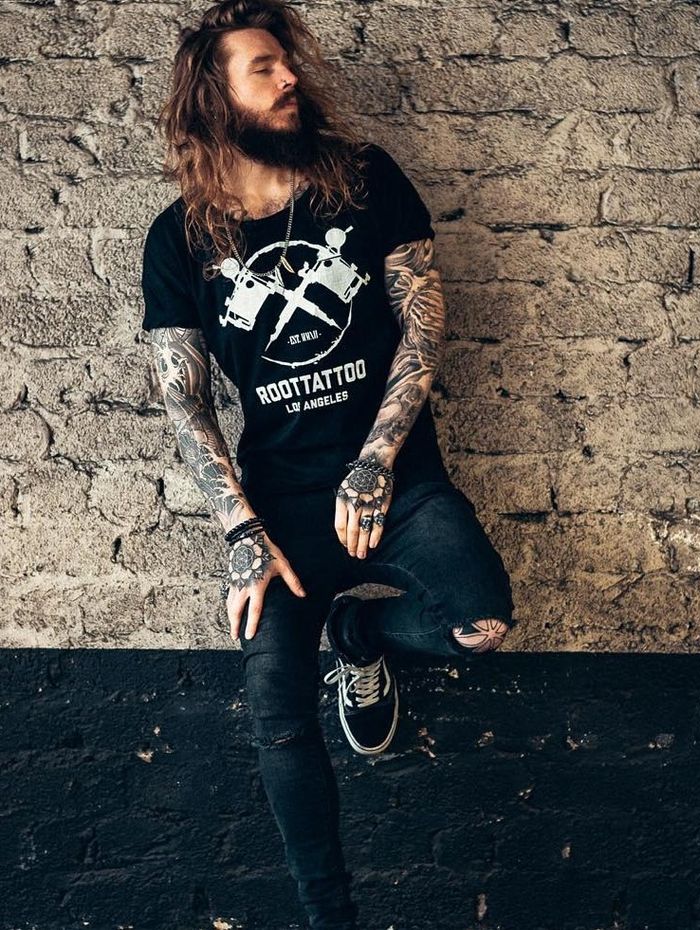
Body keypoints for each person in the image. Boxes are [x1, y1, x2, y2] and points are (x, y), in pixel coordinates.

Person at [140, 2, 516, 927]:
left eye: (287, 63)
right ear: (211, 97)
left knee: (482, 623)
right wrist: (242, 533)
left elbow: (423, 327)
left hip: (394, 477)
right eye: (263, 68)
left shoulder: (361, 179)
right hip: (279, 504)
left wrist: (378, 459)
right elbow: (183, 398)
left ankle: (365, 642)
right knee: (276, 714)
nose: (290, 79)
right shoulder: (178, 239)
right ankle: (328, 917)